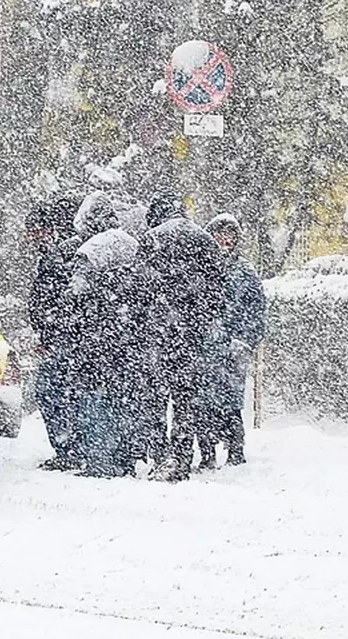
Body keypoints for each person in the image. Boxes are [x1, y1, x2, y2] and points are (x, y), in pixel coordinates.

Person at [139, 195, 228, 482]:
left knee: (154, 399)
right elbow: (219, 290)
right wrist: (200, 320)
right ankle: (181, 457)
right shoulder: (204, 240)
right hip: (190, 337)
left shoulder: (152, 239)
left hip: (158, 333)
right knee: (185, 400)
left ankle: (160, 456)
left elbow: (138, 287)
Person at [64, 193, 149, 478]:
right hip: (131, 340)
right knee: (126, 399)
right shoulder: (133, 244)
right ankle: (126, 458)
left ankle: (100, 461)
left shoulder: (90, 251)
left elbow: (76, 295)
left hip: (97, 341)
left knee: (96, 400)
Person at [197, 214, 265, 467]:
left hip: (232, 350)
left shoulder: (244, 270)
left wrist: (246, 340)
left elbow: (256, 309)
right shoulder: (200, 266)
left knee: (230, 403)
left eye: (231, 234)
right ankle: (207, 455)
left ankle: (235, 451)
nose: (226, 239)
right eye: (221, 233)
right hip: (204, 349)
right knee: (201, 404)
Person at [26, 195, 84, 470]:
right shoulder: (57, 255)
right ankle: (69, 448)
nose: (32, 237)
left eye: (36, 230)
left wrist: (49, 335)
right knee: (60, 393)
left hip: (61, 339)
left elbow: (55, 302)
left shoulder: (57, 257)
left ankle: (68, 449)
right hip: (61, 337)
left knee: (54, 392)